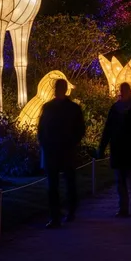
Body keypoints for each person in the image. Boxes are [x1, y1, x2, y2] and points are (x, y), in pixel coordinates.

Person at [37, 79, 85, 228]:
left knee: (68, 182)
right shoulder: (49, 107)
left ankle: (69, 211)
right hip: (52, 151)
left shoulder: (72, 108)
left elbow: (80, 129)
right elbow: (41, 128)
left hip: (66, 150)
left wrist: (72, 142)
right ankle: (55, 216)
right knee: (53, 186)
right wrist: (44, 142)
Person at [98, 82, 131, 217]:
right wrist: (102, 147)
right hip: (118, 149)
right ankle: (124, 207)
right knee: (120, 180)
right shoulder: (115, 109)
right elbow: (108, 129)